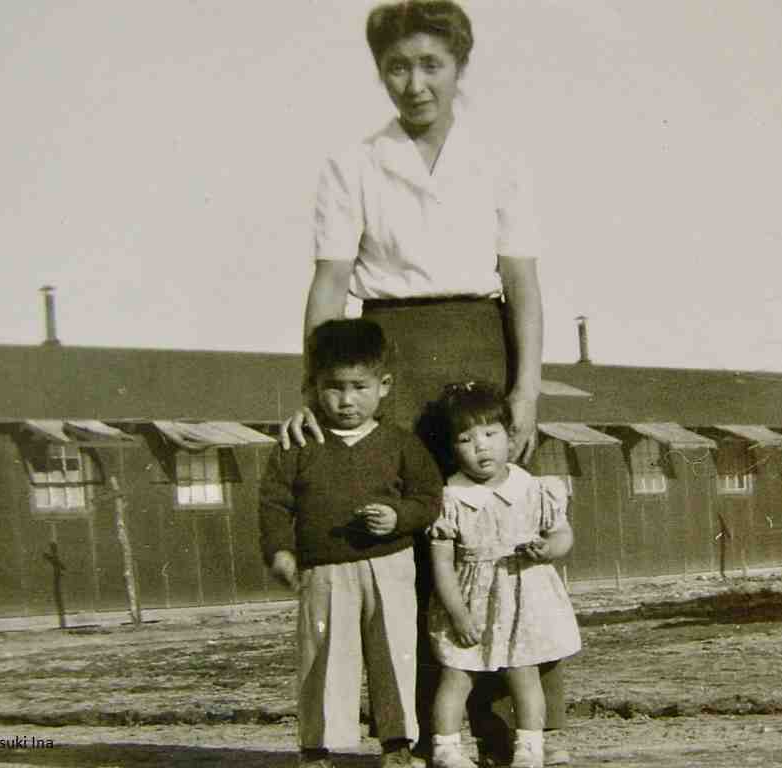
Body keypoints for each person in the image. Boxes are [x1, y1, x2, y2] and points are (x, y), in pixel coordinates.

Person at [281, 1, 570, 764]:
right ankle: (413, 731)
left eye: (430, 64)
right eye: (397, 67)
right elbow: (329, 286)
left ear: (460, 68)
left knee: (496, 533)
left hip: (481, 348)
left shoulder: (501, 159)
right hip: (390, 356)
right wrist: (310, 391)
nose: (414, 83)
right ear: (381, 73)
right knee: (403, 540)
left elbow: (525, 287)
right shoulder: (352, 165)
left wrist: (527, 391)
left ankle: (513, 727)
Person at [260, 319, 442, 768]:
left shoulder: (401, 443)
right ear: (312, 388)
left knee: (394, 655)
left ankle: (398, 745)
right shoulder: (298, 443)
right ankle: (318, 749)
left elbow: (429, 499)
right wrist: (280, 552)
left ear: (383, 386)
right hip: (323, 571)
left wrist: (400, 517)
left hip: (390, 565)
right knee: (324, 658)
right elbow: (274, 504)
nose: (345, 400)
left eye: (359, 387)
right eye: (333, 388)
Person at [425, 383, 581, 768]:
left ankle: (529, 749)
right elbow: (442, 562)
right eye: (466, 438)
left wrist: (549, 549)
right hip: (470, 601)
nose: (481, 447)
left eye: (490, 435)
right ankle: (446, 750)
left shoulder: (532, 488)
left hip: (524, 599)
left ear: (510, 438)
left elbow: (562, 533)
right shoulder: (450, 499)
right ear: (452, 447)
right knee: (457, 674)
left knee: (524, 673)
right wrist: (457, 613)